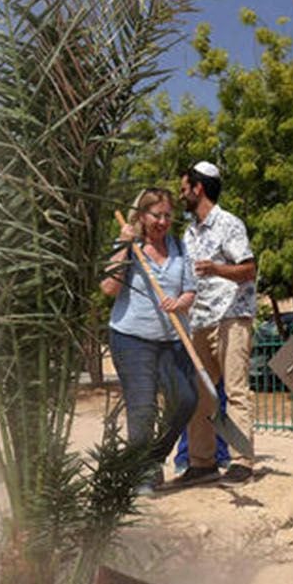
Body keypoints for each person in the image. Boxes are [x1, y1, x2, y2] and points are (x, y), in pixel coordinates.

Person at [101, 188, 199, 491]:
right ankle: (138, 474)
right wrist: (124, 247)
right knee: (142, 408)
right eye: (157, 215)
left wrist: (181, 302)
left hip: (172, 339)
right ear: (142, 216)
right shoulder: (130, 245)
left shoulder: (180, 248)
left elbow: (191, 290)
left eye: (168, 215)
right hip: (131, 338)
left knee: (186, 399)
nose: (163, 221)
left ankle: (152, 459)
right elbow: (108, 288)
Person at [179, 161, 259, 485]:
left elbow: (248, 269)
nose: (182, 194)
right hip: (200, 319)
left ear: (198, 188)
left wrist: (215, 269)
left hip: (231, 317)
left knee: (236, 390)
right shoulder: (188, 232)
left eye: (184, 188)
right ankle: (202, 461)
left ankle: (242, 461)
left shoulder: (229, 224)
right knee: (200, 394)